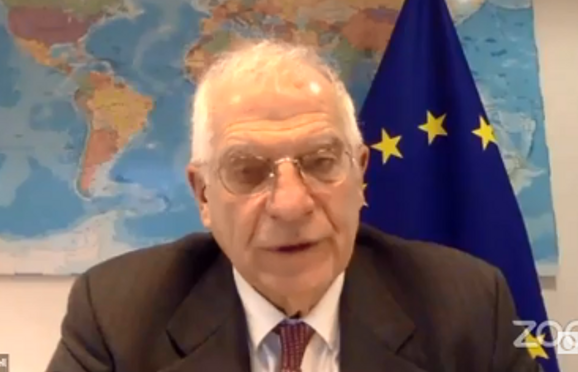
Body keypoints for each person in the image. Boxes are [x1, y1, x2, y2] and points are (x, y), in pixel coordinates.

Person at [46, 39, 540, 372]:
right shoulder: (118, 315)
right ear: (203, 195)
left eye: (321, 162)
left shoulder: (467, 307)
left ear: (360, 174)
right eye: (247, 170)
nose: (290, 204)